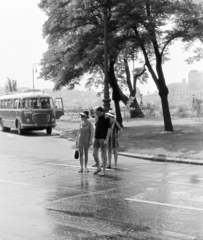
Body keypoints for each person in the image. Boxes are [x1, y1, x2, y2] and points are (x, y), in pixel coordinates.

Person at [92, 106, 111, 176]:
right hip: (96, 138)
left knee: (103, 154)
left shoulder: (106, 118)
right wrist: (93, 137)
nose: (95, 113)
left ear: (100, 111)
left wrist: (107, 139)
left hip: (103, 138)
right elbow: (95, 127)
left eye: (96, 111)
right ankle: (99, 168)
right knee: (94, 154)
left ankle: (103, 171)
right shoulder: (96, 117)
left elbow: (109, 129)